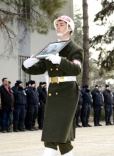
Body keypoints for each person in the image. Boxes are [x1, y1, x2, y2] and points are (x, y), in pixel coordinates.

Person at [22, 15, 83, 156]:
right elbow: (40, 67)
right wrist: (27, 65)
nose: (58, 27)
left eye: (61, 24)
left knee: (60, 134)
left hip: (68, 92)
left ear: (69, 28)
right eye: (57, 24)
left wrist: (60, 60)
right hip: (53, 91)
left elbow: (76, 69)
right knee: (56, 136)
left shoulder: (75, 49)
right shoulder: (52, 48)